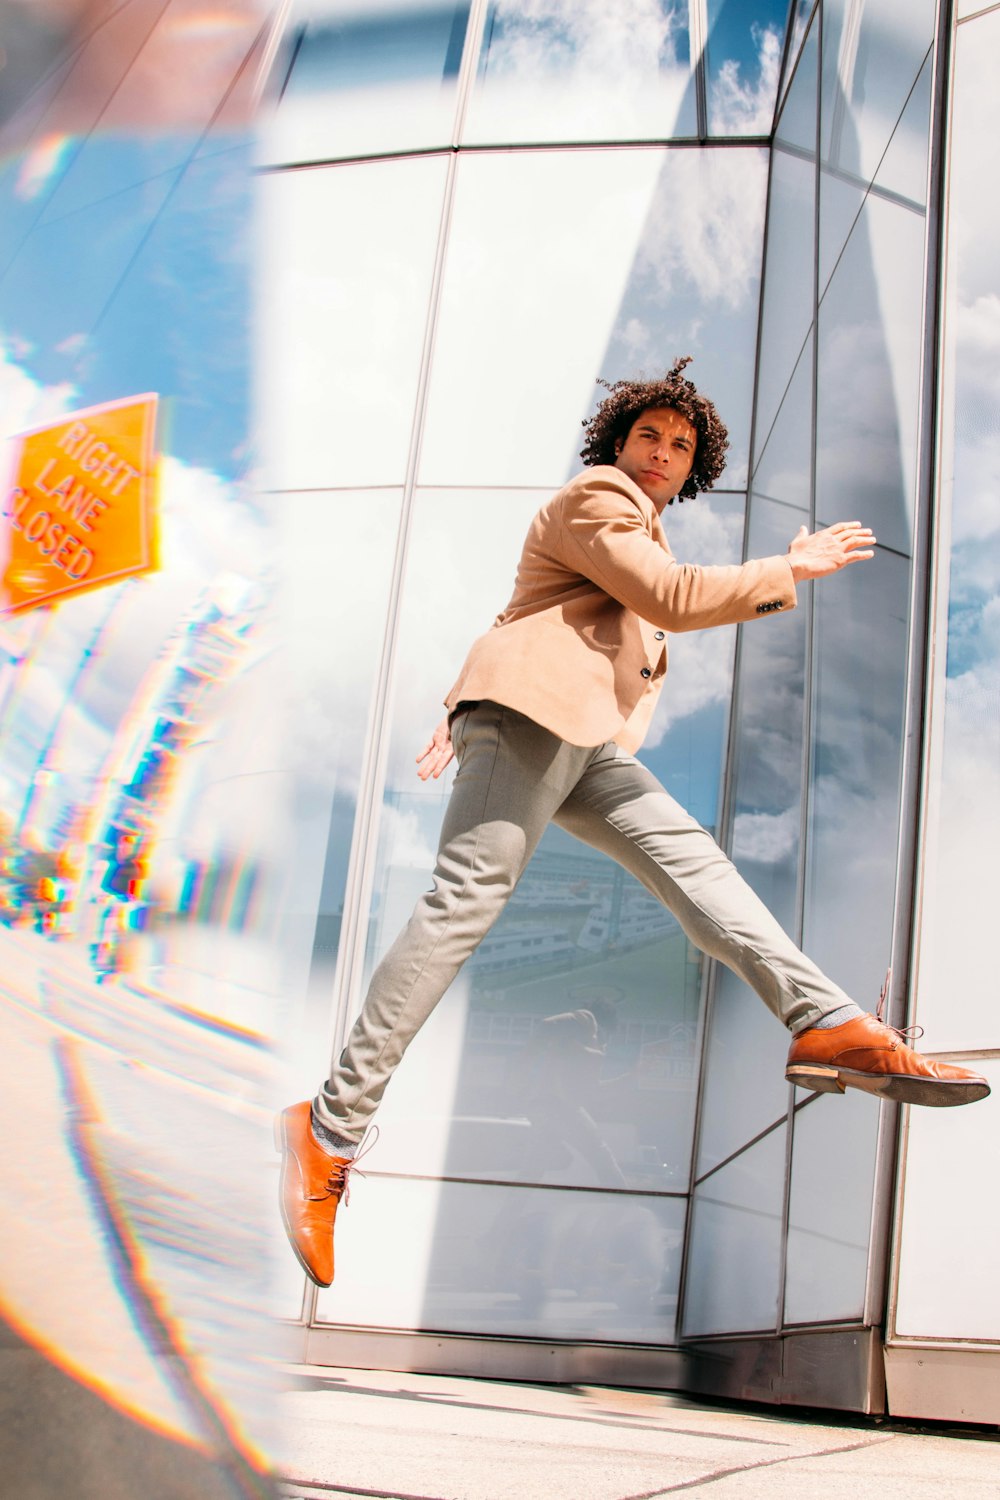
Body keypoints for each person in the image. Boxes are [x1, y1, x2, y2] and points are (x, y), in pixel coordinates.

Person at [275, 358, 990, 1289]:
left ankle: (829, 1022)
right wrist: (789, 567)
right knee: (465, 902)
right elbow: (671, 598)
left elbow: (522, 611)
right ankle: (328, 1126)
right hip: (535, 725)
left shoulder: (621, 530)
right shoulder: (598, 499)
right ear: (620, 444)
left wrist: (459, 700)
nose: (661, 452)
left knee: (697, 870)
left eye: (680, 445)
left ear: (692, 469)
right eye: (649, 435)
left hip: (583, 743)